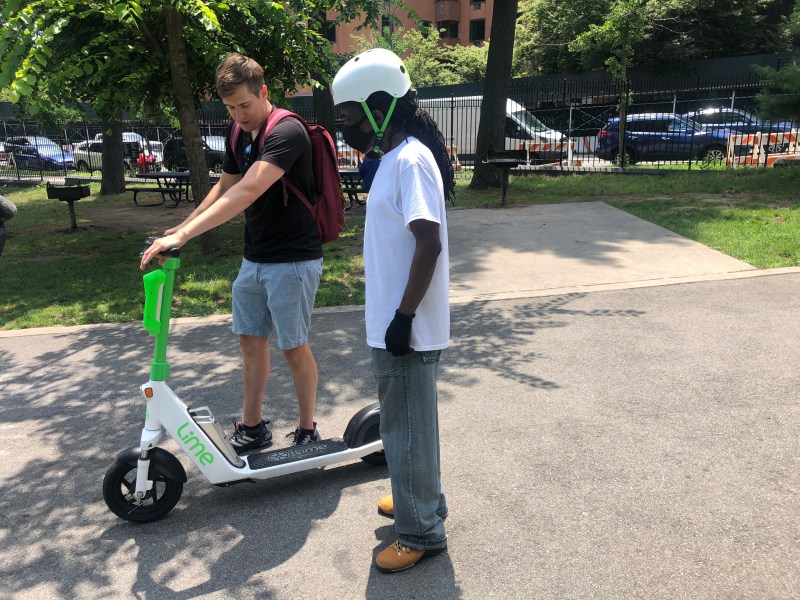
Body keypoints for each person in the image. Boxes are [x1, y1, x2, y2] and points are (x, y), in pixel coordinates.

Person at [140, 52, 323, 451]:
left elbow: (248, 189)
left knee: (293, 346)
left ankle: (308, 427)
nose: (238, 114)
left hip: (293, 259)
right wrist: (182, 227)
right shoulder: (238, 133)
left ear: (264, 92)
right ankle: (253, 426)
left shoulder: (286, 132)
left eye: (244, 104)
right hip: (254, 257)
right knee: (250, 341)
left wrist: (185, 237)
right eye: (230, 107)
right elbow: (224, 186)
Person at [331, 48, 456, 573]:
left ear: (379, 106)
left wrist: (404, 317)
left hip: (405, 322)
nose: (347, 128)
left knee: (405, 428)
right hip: (392, 316)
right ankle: (417, 500)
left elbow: (428, 244)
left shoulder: (410, 160)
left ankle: (421, 531)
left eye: (351, 116)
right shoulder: (395, 154)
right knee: (410, 424)